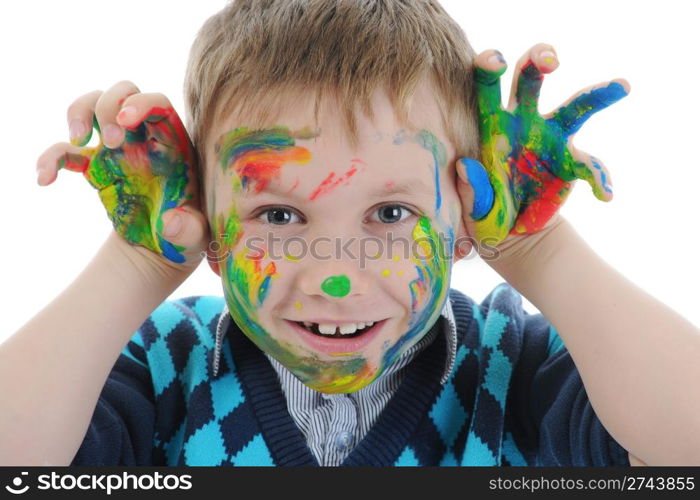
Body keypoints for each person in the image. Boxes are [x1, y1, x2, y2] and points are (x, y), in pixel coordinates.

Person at [2, 0, 698, 466]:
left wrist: (537, 250)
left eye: (391, 215)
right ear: (212, 228)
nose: (336, 277)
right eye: (278, 216)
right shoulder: (166, 369)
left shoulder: (514, 372)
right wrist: (135, 264)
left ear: (461, 215)